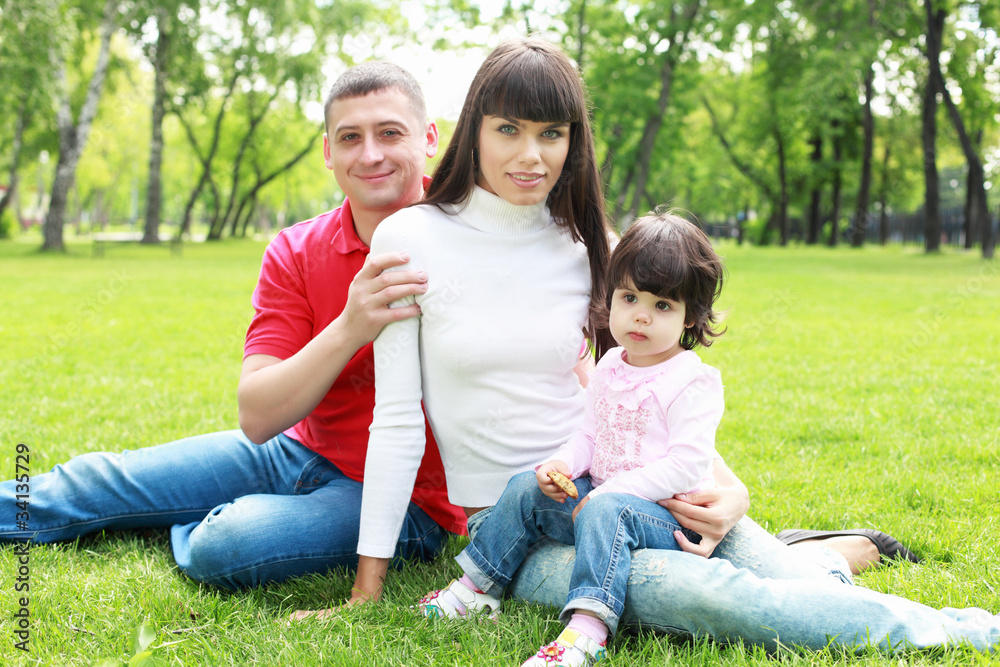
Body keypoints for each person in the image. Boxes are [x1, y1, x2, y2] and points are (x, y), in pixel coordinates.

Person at [342, 37, 1000, 657]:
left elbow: (634, 383)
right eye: (508, 129)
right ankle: (967, 629)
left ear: (575, 141)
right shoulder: (411, 239)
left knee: (788, 579)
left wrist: (729, 489)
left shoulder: (587, 240)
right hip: (516, 524)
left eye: (551, 133)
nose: (530, 156)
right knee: (715, 598)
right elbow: (397, 419)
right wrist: (366, 588)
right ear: (475, 128)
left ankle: (824, 562)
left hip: (634, 490)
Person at [0, 61, 467, 589]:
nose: (371, 154)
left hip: (406, 500)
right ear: (327, 152)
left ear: (428, 138)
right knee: (99, 479)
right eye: (350, 137)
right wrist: (348, 326)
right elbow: (258, 414)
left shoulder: (467, 242)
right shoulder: (295, 250)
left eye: (389, 132)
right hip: (294, 449)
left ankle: (205, 514)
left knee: (227, 544)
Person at [418, 213, 731, 666]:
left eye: (663, 306)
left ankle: (587, 631)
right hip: (600, 502)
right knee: (526, 484)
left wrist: (611, 491)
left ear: (690, 317)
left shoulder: (692, 381)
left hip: (665, 518)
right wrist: (563, 464)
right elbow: (589, 434)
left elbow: (685, 464)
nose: (641, 315)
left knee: (607, 507)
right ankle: (477, 589)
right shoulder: (610, 367)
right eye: (630, 297)